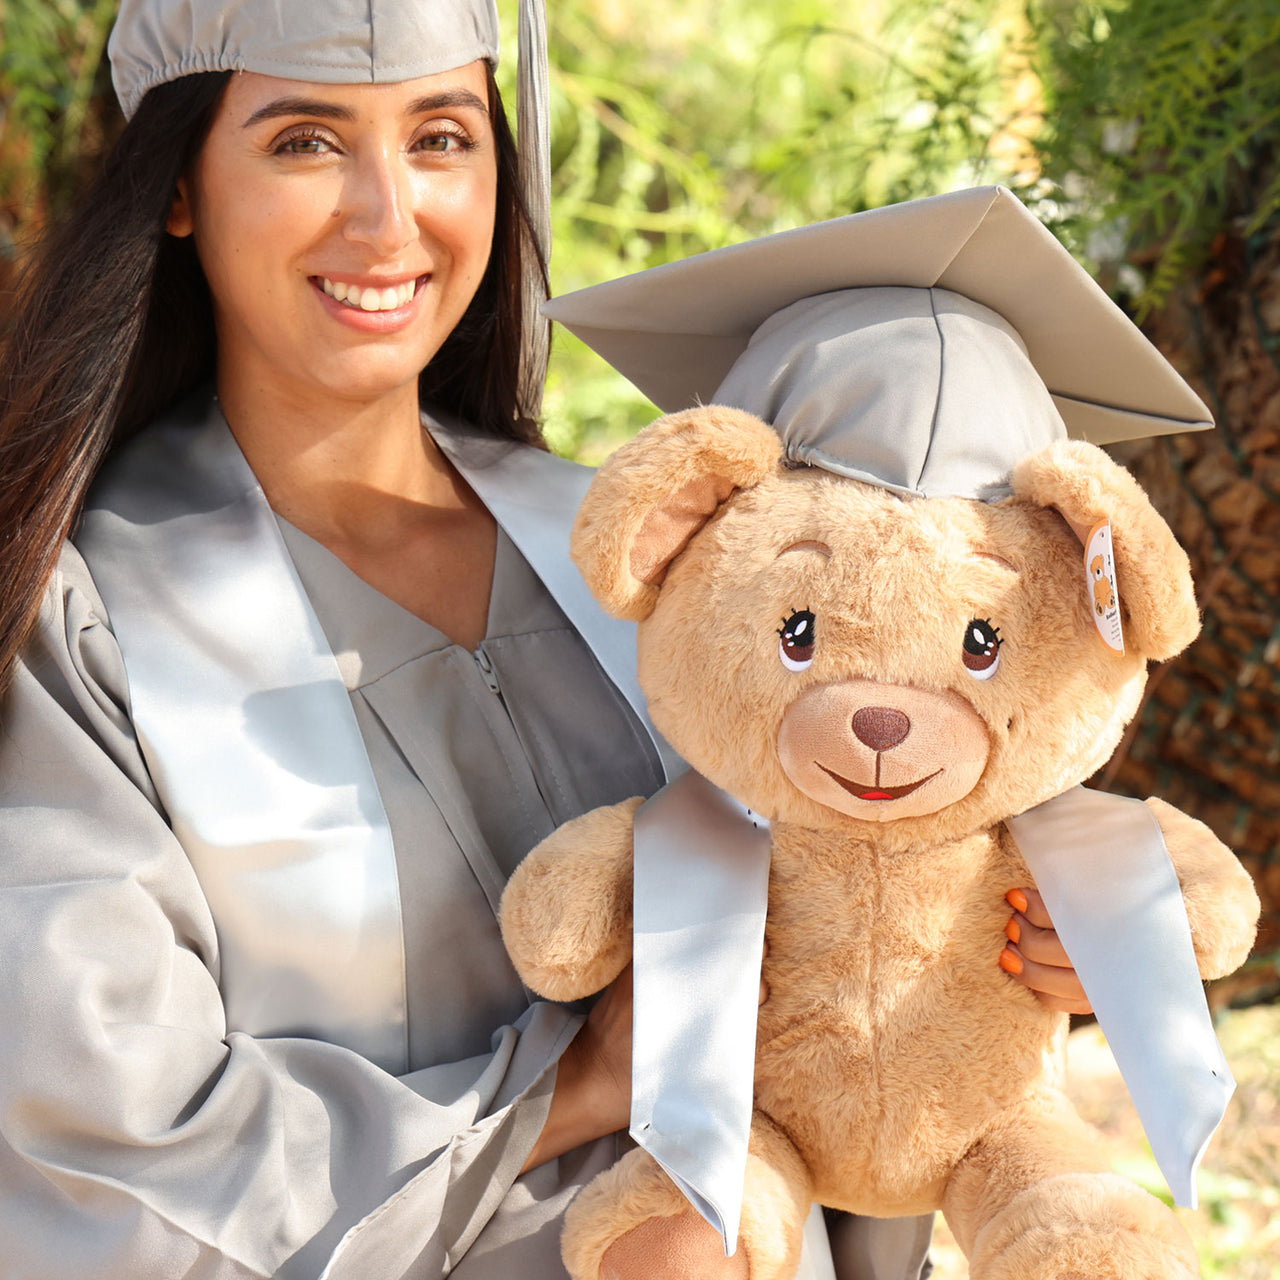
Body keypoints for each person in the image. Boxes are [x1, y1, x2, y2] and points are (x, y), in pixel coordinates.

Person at [0, 2, 1090, 1276]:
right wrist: (567, 1087)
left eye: (442, 138)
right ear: (179, 183)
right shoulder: (82, 616)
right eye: (304, 141)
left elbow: (851, 905)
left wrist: (1003, 950)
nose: (387, 216)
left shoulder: (652, 562)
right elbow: (103, 1125)